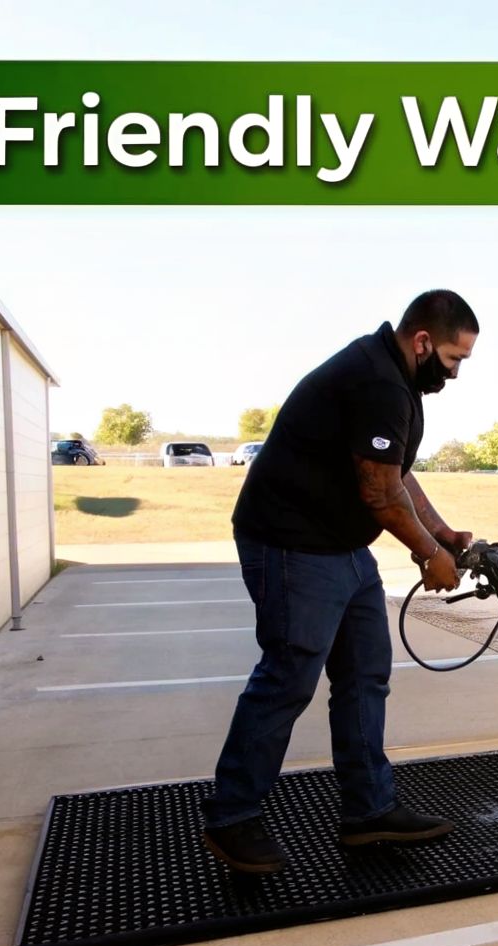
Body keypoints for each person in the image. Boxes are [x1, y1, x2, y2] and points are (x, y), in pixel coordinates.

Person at [201, 289, 479, 874]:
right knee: (288, 677)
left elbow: (397, 475)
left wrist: (445, 535)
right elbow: (379, 492)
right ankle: (232, 817)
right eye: (454, 360)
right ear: (423, 341)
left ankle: (368, 811)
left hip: (344, 547)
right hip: (290, 543)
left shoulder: (397, 380)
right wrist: (429, 555)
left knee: (364, 675)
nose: (454, 375)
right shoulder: (376, 379)